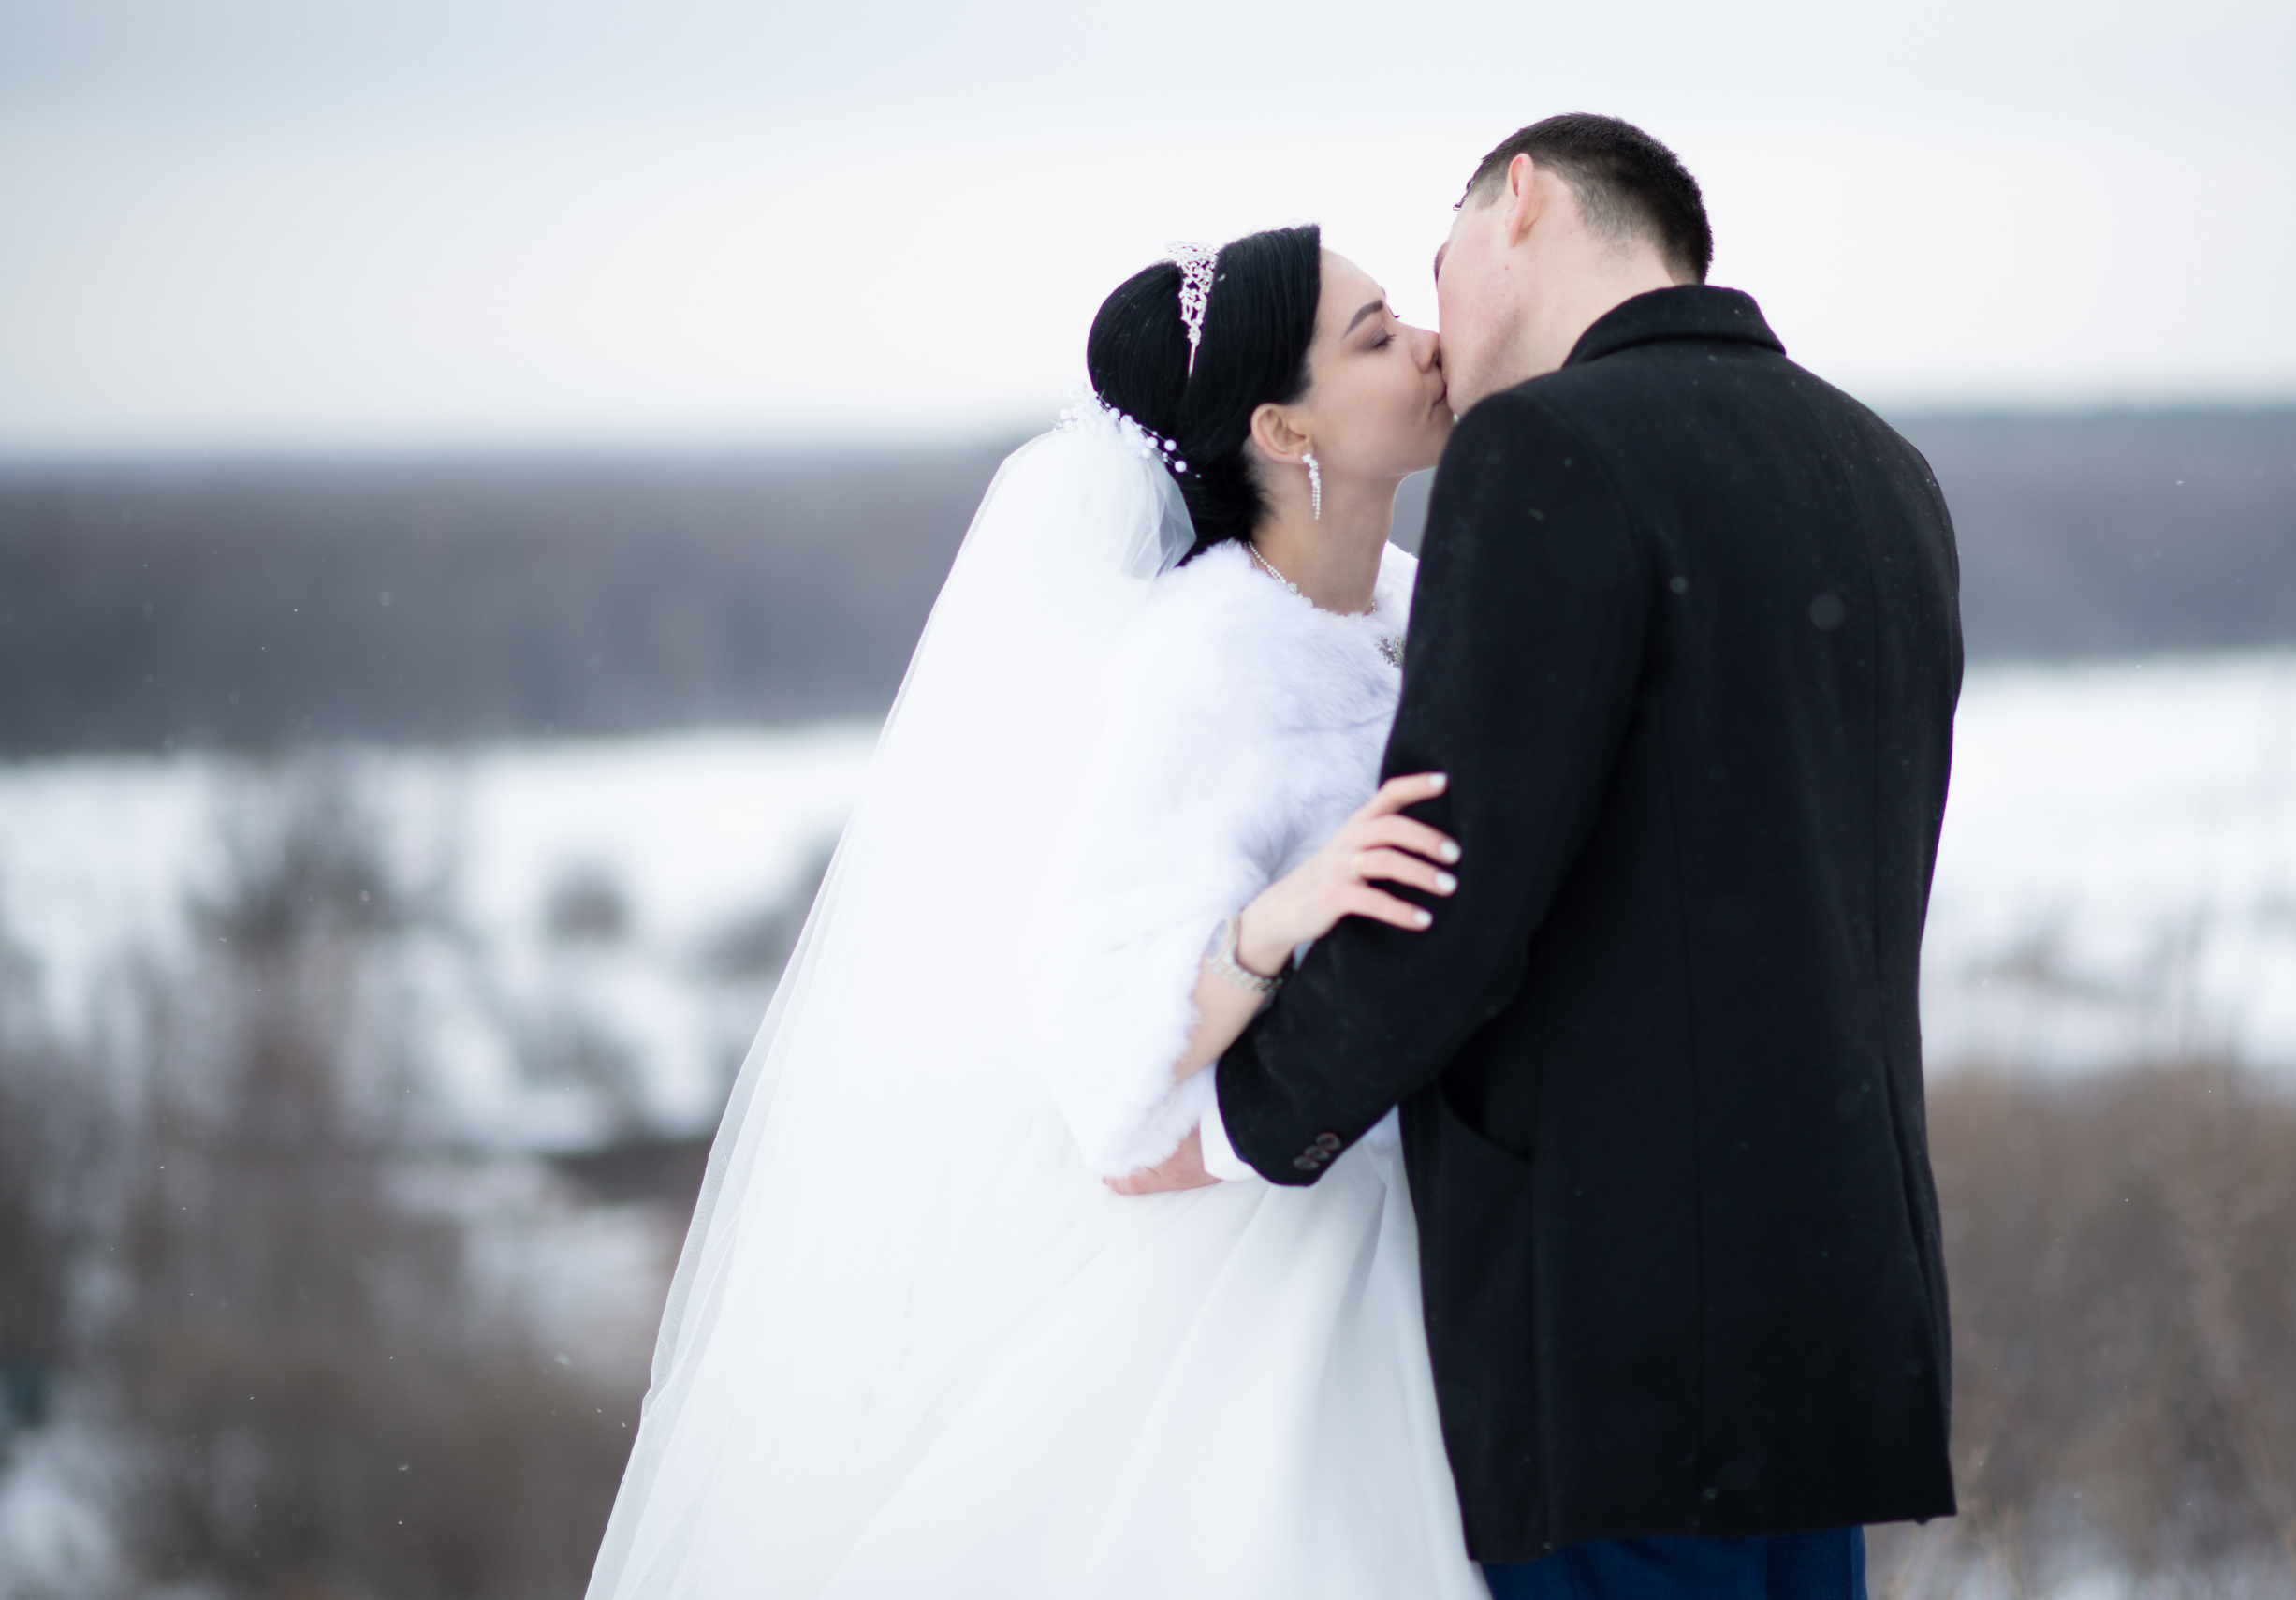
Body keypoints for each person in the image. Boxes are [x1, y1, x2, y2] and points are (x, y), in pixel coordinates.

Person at [1119, 113, 1965, 1599]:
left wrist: (1250, 1118)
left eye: (1433, 259)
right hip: (1837, 1316)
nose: (1434, 325)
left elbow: (1447, 890)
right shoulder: (1882, 469)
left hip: (1623, 1334)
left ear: (1519, 203)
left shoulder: (1549, 449)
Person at [583, 224, 1489, 1598]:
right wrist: (1275, 920)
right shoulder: (1202, 666)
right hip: (1276, 1271)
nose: (1428, 343)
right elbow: (1107, 1058)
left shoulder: (1414, 603)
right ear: (1279, 426)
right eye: (1376, 335)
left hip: (1448, 1208)